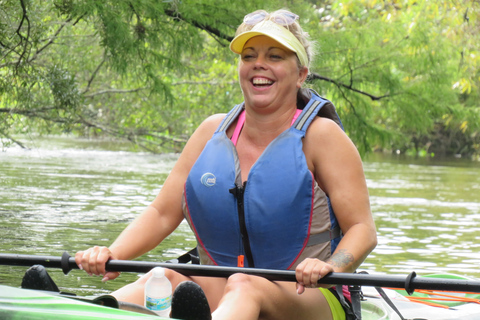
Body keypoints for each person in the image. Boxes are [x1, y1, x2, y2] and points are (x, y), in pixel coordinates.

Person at [75, 9, 377, 320]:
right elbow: (162, 212)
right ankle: (83, 312)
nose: (258, 64)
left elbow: (362, 229)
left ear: (301, 74)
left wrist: (333, 265)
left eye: (274, 56)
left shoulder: (323, 137)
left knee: (245, 284)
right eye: (248, 56)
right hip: (229, 291)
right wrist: (114, 253)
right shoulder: (211, 132)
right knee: (165, 275)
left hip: (308, 298)